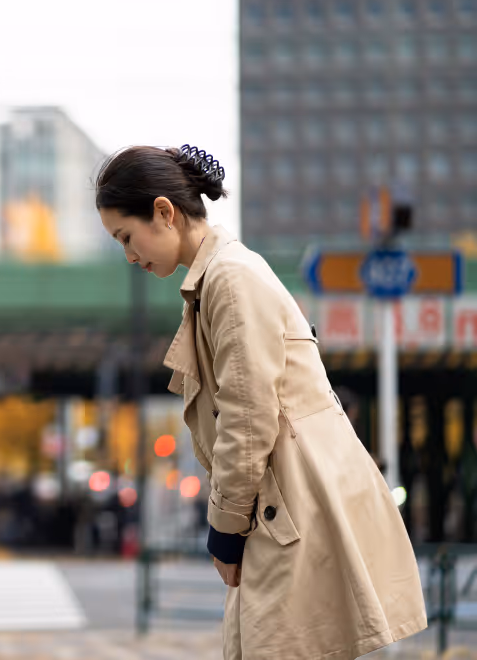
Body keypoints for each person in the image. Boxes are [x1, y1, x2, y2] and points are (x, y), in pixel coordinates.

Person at [95, 145, 426, 659]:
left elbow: (248, 420)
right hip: (285, 507)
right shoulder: (220, 277)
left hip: (289, 511)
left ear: (164, 212)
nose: (129, 255)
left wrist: (224, 529)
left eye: (125, 237)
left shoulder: (228, 279)